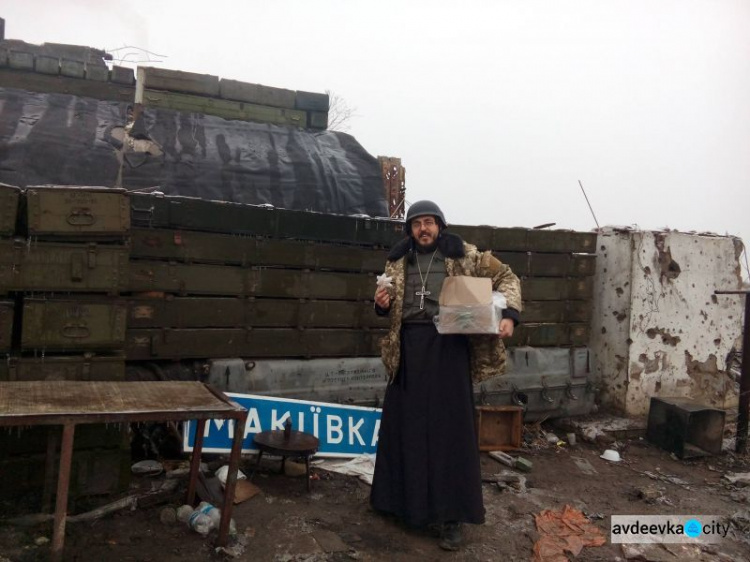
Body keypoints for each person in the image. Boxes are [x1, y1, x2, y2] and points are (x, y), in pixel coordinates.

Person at [370, 200, 522, 551]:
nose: (424, 229)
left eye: (429, 223)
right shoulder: (396, 260)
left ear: (440, 226)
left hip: (449, 348)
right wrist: (381, 303)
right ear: (409, 230)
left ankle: (451, 516)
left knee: (449, 433)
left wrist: (510, 315)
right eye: (417, 224)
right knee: (404, 429)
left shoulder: (465, 254)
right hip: (407, 350)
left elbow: (507, 276)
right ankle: (399, 504)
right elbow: (388, 306)